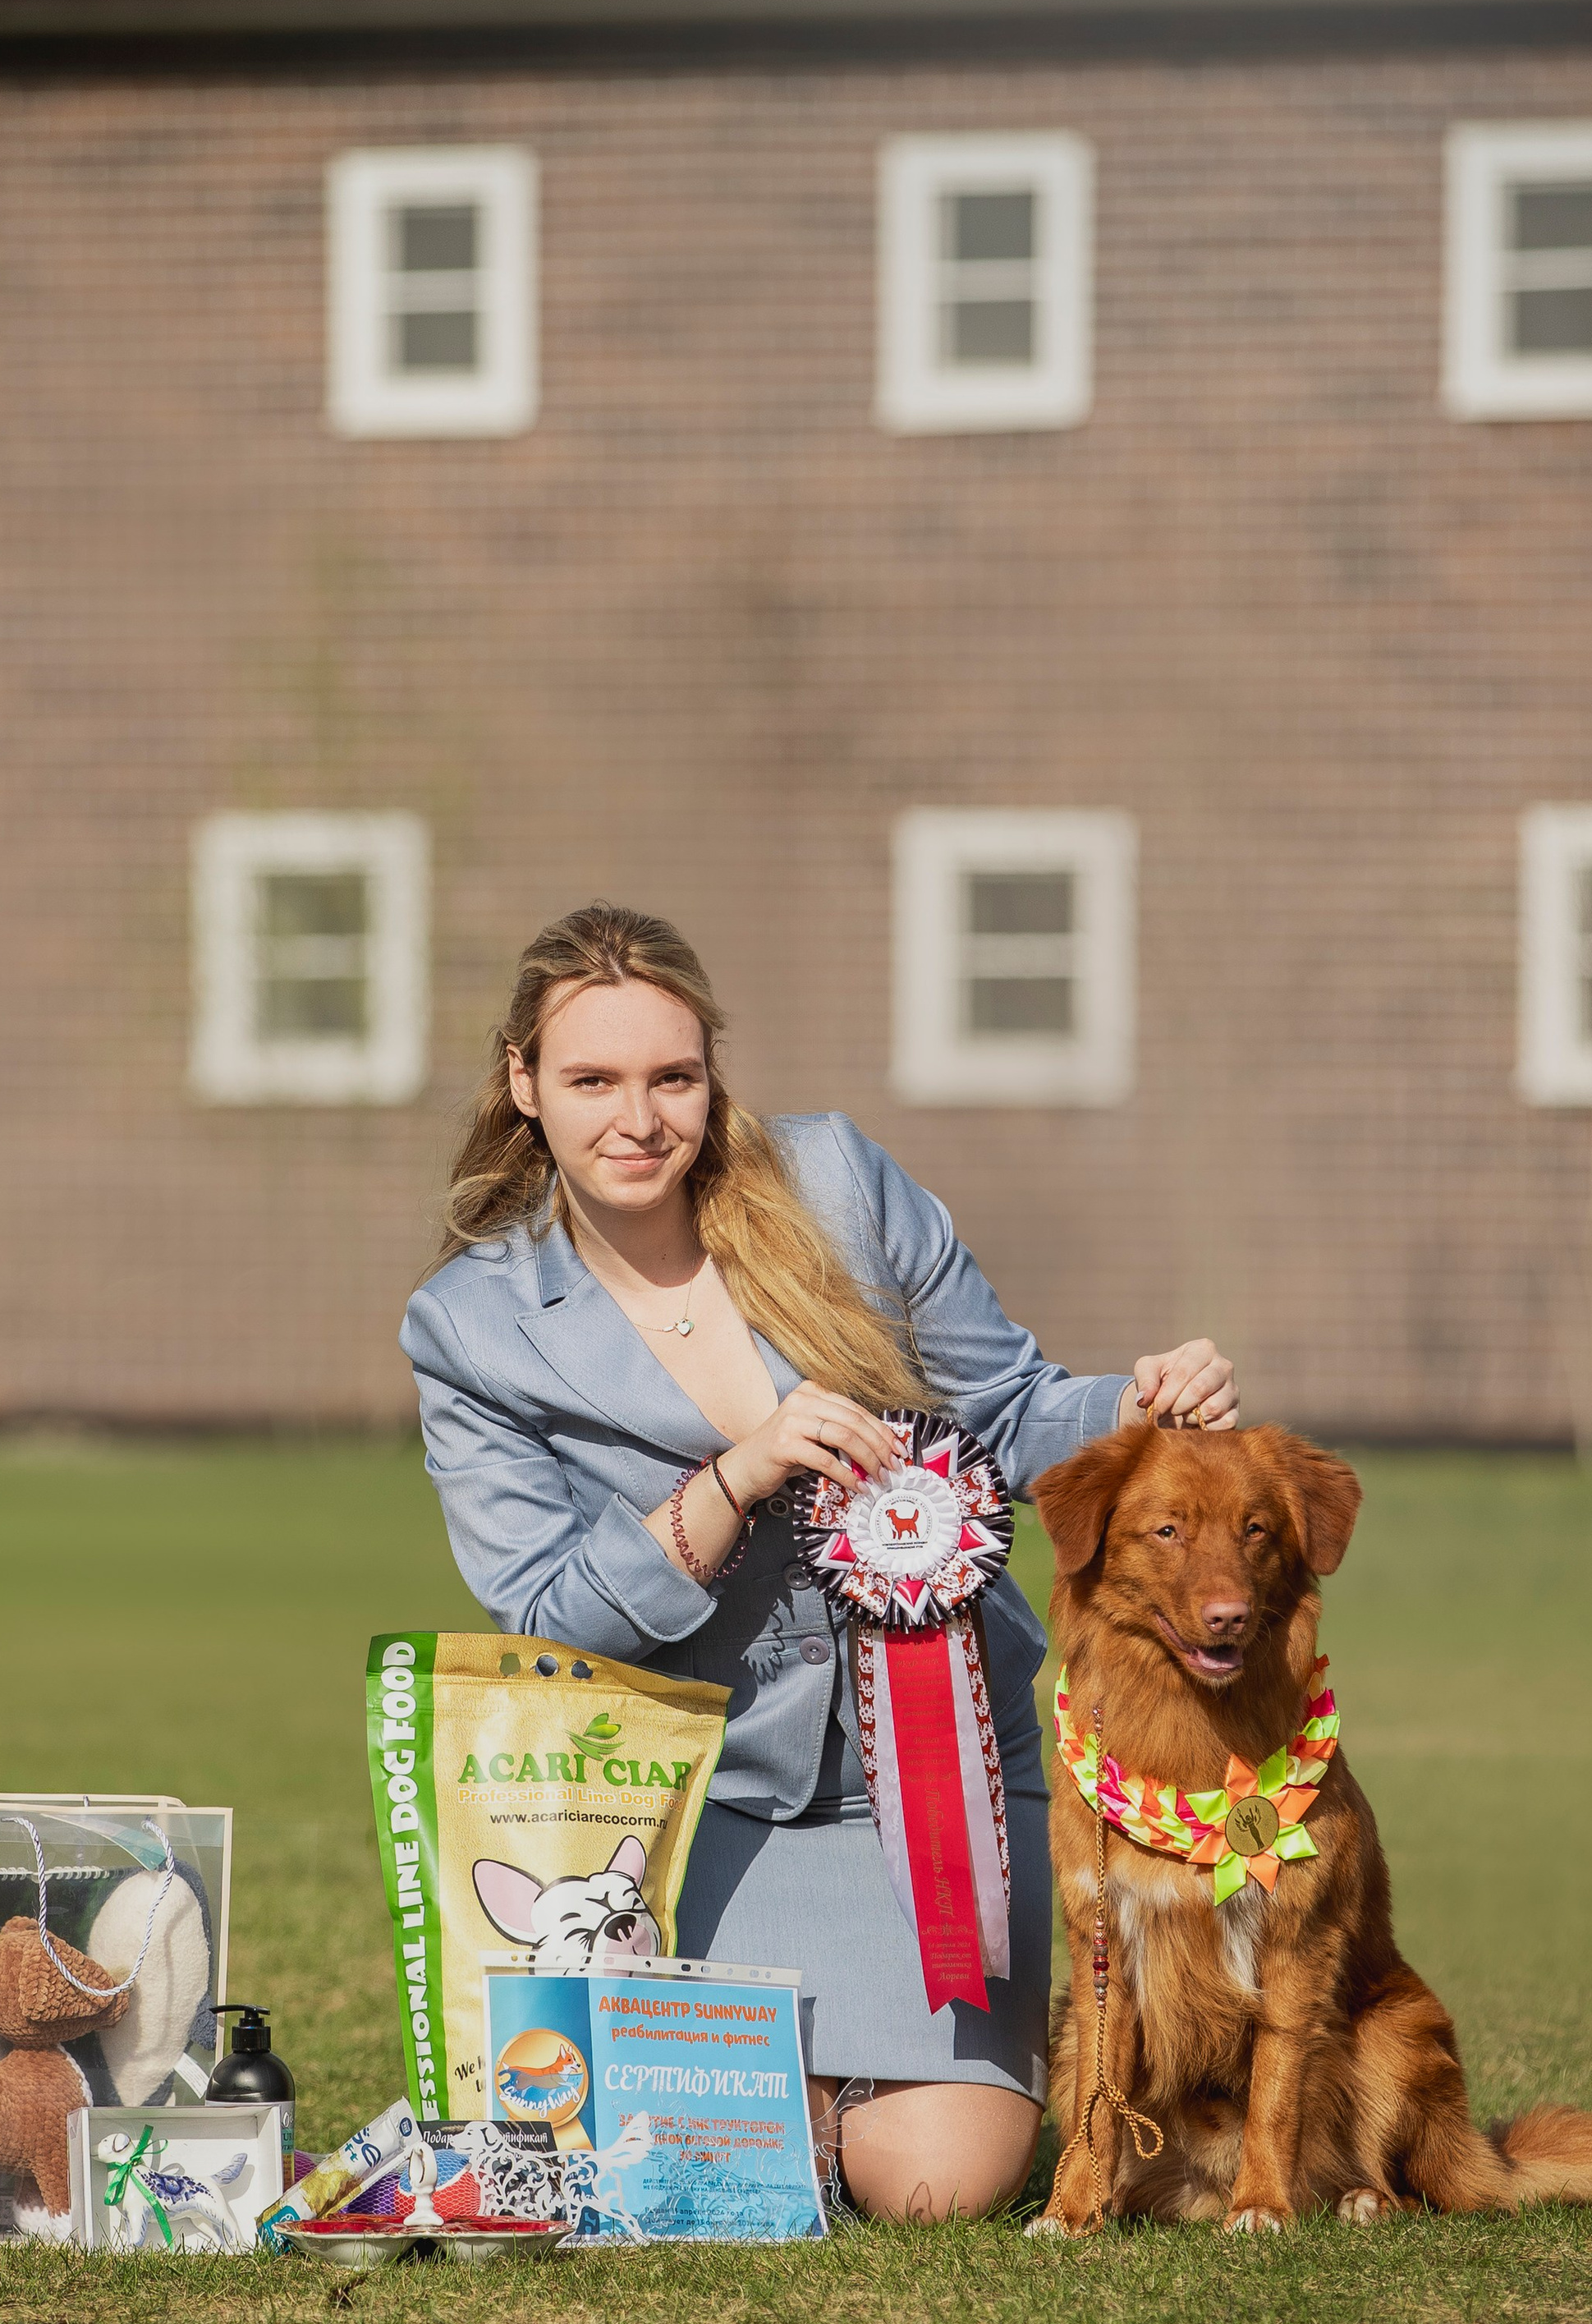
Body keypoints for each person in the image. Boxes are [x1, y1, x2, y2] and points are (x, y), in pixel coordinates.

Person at [401, 903, 1237, 2221]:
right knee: (743, 2156)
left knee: (936, 2188)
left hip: (953, 1779)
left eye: (672, 1078)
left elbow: (1012, 1414)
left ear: (710, 1074)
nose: (640, 1119)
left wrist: (1138, 1411)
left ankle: (829, 2107)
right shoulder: (473, 1325)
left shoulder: (838, 1185)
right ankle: (796, 2100)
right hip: (709, 1806)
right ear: (523, 1085)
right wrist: (734, 1480)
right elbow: (552, 1613)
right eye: (593, 1082)